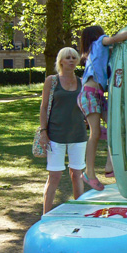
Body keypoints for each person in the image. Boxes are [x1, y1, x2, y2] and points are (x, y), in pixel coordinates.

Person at [77, 25, 127, 191]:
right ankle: (89, 172)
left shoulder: (96, 52)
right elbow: (115, 39)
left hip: (97, 94)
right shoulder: (99, 42)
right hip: (90, 94)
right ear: (97, 35)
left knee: (116, 126)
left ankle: (111, 165)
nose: (106, 35)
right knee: (95, 133)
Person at [39, 47, 87, 214]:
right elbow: (44, 107)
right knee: (55, 176)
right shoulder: (51, 81)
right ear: (60, 61)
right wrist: (43, 132)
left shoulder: (83, 81)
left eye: (74, 57)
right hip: (55, 135)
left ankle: (79, 213)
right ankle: (45, 215)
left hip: (78, 135)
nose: (72, 60)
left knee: (77, 174)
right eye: (67, 58)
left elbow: (88, 106)